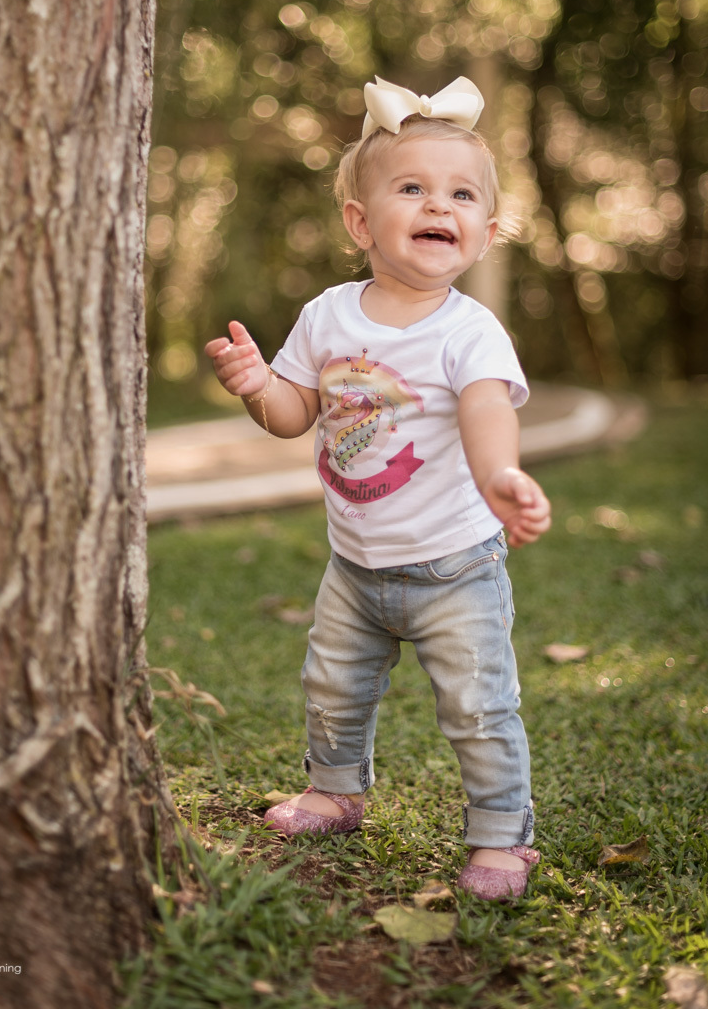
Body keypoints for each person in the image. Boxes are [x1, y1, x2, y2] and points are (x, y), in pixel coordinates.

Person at [204, 76, 551, 901]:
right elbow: (294, 415)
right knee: (332, 688)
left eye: (461, 193)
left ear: (486, 231)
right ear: (360, 221)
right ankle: (334, 790)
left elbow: (484, 407)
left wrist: (500, 473)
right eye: (412, 187)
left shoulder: (467, 329)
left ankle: (503, 838)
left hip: (453, 569)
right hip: (353, 567)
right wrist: (256, 382)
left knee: (477, 708)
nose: (440, 204)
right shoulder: (328, 314)